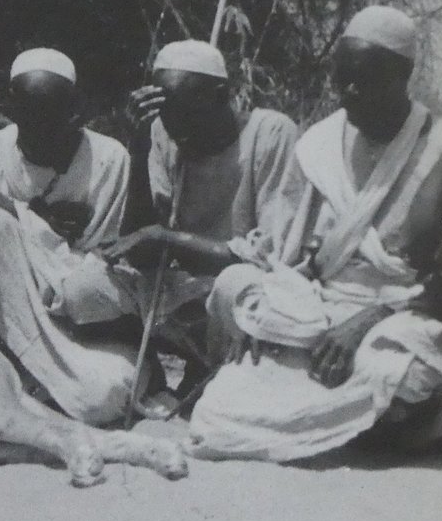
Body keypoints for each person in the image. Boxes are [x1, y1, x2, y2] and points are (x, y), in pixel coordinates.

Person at [189, 6, 442, 461]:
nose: (347, 94)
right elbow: (291, 255)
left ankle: (328, 412)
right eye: (340, 80)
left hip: (401, 315)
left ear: (402, 75)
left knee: (400, 374)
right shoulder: (320, 144)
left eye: (363, 81)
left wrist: (365, 321)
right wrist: (289, 286)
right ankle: (348, 421)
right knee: (233, 290)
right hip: (321, 307)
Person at [68, 40, 303, 407]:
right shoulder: (166, 133)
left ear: (222, 95)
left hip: (233, 290)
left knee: (238, 290)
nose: (177, 130)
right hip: (181, 291)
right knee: (83, 289)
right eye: (167, 118)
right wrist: (139, 148)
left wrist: (166, 238)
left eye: (188, 115)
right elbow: (144, 254)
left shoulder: (270, 133)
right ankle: (151, 368)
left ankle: (214, 374)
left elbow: (270, 257)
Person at [0, 48, 134, 425]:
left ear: (75, 114)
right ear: (10, 110)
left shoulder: (109, 159)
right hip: (7, 312)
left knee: (101, 394)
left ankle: (40, 375)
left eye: (51, 119)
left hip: (76, 326)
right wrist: (30, 219)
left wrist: (20, 214)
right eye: (27, 118)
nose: (38, 131)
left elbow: (99, 262)